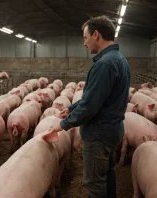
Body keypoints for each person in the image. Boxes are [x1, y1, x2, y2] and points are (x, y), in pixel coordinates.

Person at [50, 16, 130, 198]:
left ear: (96, 35)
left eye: (85, 38)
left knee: (94, 183)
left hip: (98, 134)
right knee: (107, 174)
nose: (84, 43)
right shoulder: (119, 59)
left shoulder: (104, 64)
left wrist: (63, 124)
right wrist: (71, 109)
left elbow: (90, 105)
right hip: (113, 129)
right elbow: (96, 97)